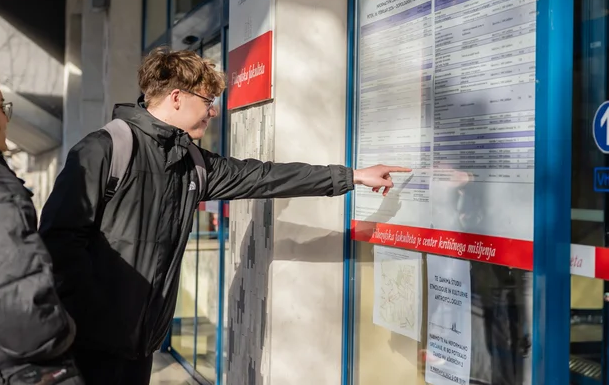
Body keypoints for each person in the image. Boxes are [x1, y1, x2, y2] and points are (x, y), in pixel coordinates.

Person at [39, 48, 411, 385]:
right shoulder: (104, 149)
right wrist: (92, 321)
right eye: (208, 100)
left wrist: (352, 176)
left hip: (140, 347)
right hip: (88, 347)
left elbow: (265, 177)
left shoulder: (192, 163)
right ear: (176, 97)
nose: (213, 111)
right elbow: (58, 243)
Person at [0, 66, 83, 385]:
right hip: (20, 370)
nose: (7, 118)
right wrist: (63, 331)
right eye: (1, 106)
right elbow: (12, 307)